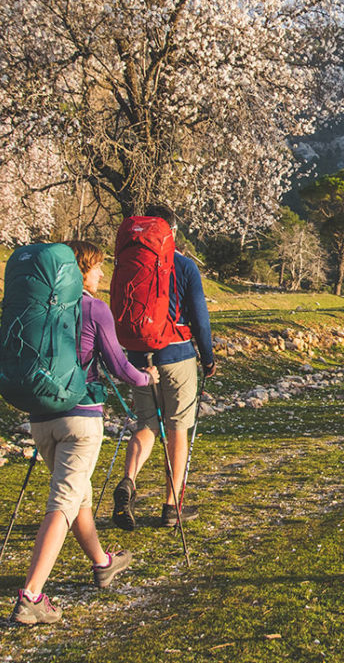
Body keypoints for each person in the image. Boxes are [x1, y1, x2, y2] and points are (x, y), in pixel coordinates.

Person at [11, 240, 158, 625]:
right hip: (80, 419)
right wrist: (147, 377)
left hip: (41, 418)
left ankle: (102, 563)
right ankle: (32, 596)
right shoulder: (93, 308)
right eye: (96, 268)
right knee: (64, 502)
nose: (101, 274)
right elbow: (120, 367)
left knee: (79, 496)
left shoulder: (39, 308)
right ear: (80, 271)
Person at [113, 205, 216, 531]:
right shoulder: (183, 265)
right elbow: (199, 316)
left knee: (146, 423)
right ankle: (172, 506)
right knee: (177, 428)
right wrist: (208, 357)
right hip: (176, 355)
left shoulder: (129, 261)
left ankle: (128, 481)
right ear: (171, 231)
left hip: (137, 354)